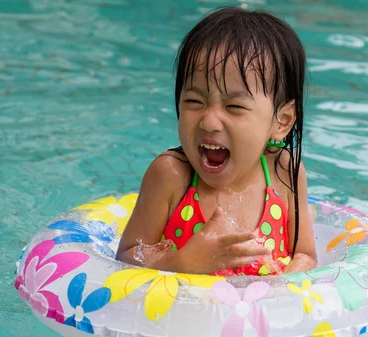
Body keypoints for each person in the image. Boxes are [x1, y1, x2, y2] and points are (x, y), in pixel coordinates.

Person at [116, 7, 316, 276]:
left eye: (234, 106)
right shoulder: (170, 176)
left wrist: (283, 290)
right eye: (194, 101)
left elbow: (304, 255)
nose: (209, 122)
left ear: (281, 120)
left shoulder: (285, 173)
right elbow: (127, 257)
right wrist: (181, 263)